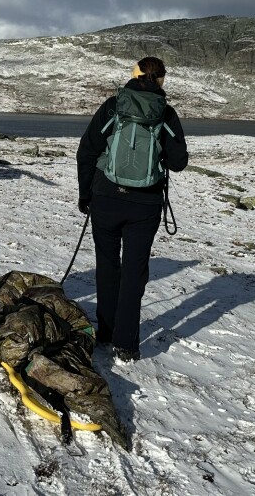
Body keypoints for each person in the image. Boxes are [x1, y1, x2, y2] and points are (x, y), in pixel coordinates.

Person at [76, 57, 188, 362]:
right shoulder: (165, 112)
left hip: (106, 197)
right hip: (145, 204)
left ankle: (106, 332)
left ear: (134, 75)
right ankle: (126, 345)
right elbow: (179, 162)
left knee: (107, 265)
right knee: (133, 273)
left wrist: (85, 194)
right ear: (162, 81)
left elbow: (87, 150)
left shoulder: (114, 106)